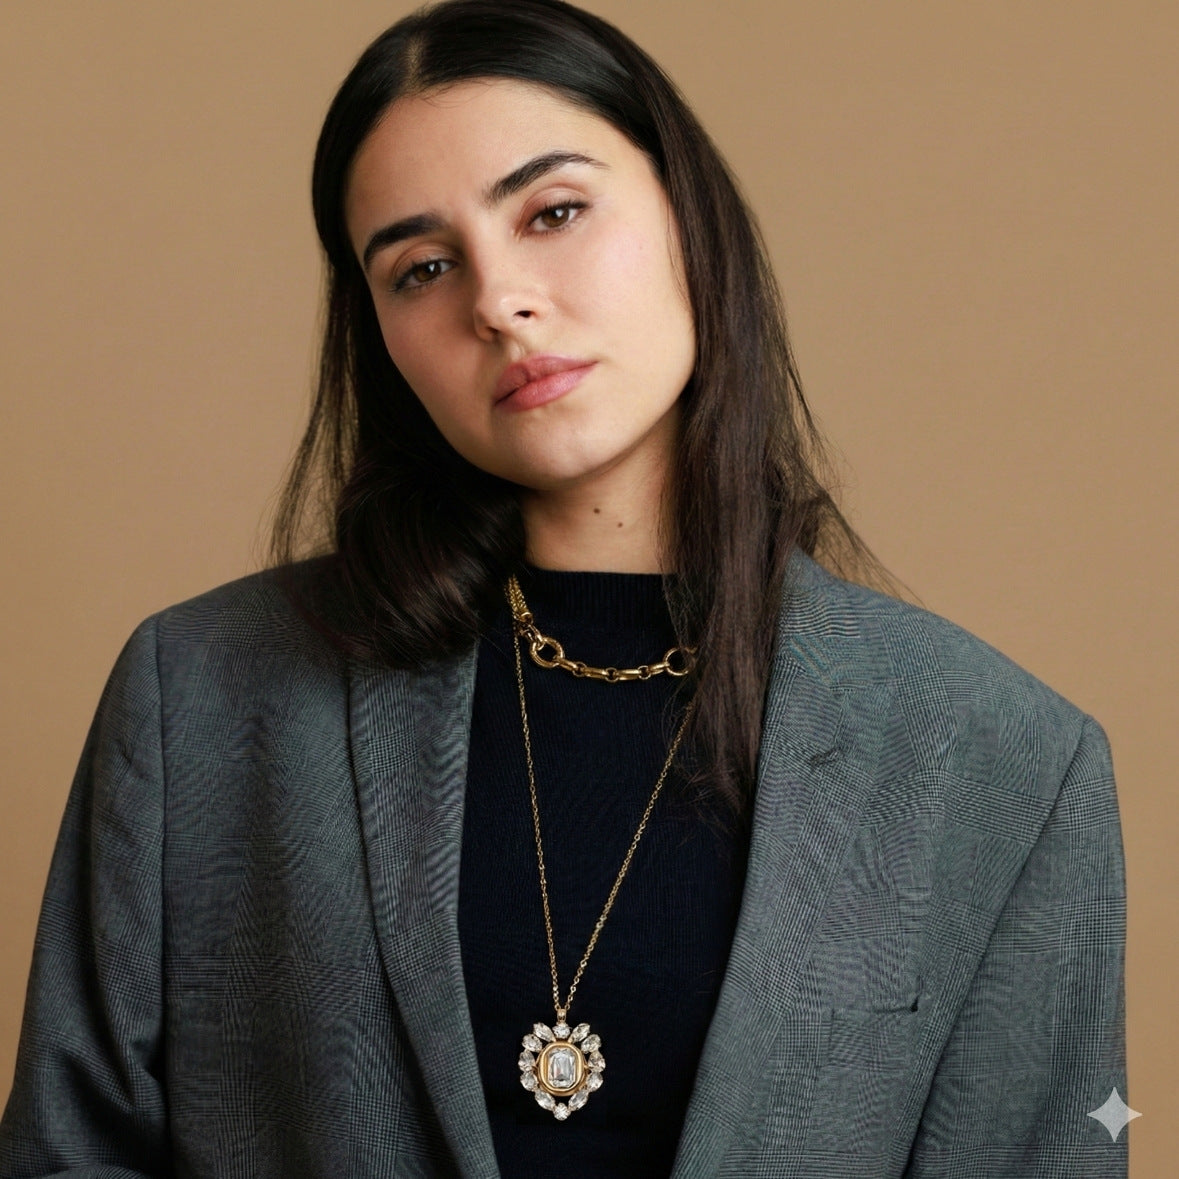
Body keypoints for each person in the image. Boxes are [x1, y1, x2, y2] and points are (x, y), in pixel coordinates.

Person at [0, 1, 1128, 1175]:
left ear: (689, 214)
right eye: (424, 268)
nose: (497, 301)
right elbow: (65, 1150)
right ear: (379, 336)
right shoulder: (204, 697)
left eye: (554, 212)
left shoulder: (1006, 763)